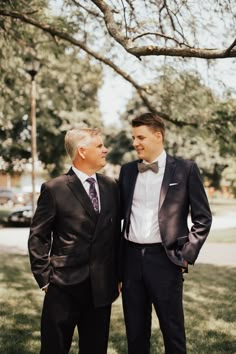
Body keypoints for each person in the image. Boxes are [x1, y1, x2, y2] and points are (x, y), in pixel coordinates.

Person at [119, 112, 212, 354]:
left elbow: (203, 218)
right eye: (133, 137)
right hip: (130, 260)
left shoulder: (186, 169)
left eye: (141, 137)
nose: (135, 143)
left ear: (158, 136)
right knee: (135, 332)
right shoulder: (127, 171)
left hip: (166, 259)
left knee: (173, 332)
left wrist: (186, 255)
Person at [28, 127, 120, 354]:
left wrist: (117, 275)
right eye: (99, 146)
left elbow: (115, 234)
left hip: (100, 289)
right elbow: (38, 236)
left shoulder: (111, 186)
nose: (105, 150)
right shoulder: (55, 188)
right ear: (82, 151)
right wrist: (45, 279)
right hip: (62, 288)